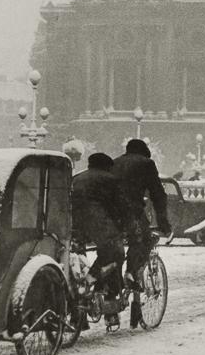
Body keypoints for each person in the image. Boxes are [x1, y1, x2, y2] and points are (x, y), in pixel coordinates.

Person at [71, 152, 126, 327]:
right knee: (115, 254)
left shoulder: (76, 178)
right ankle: (94, 281)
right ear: (107, 166)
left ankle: (77, 309)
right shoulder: (111, 180)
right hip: (98, 223)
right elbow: (119, 207)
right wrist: (124, 226)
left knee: (75, 260)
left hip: (73, 223)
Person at [111, 138, 172, 291]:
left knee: (111, 245)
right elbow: (158, 194)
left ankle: (112, 280)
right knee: (143, 239)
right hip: (131, 210)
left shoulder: (115, 162)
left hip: (110, 212)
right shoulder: (146, 164)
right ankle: (131, 272)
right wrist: (163, 221)